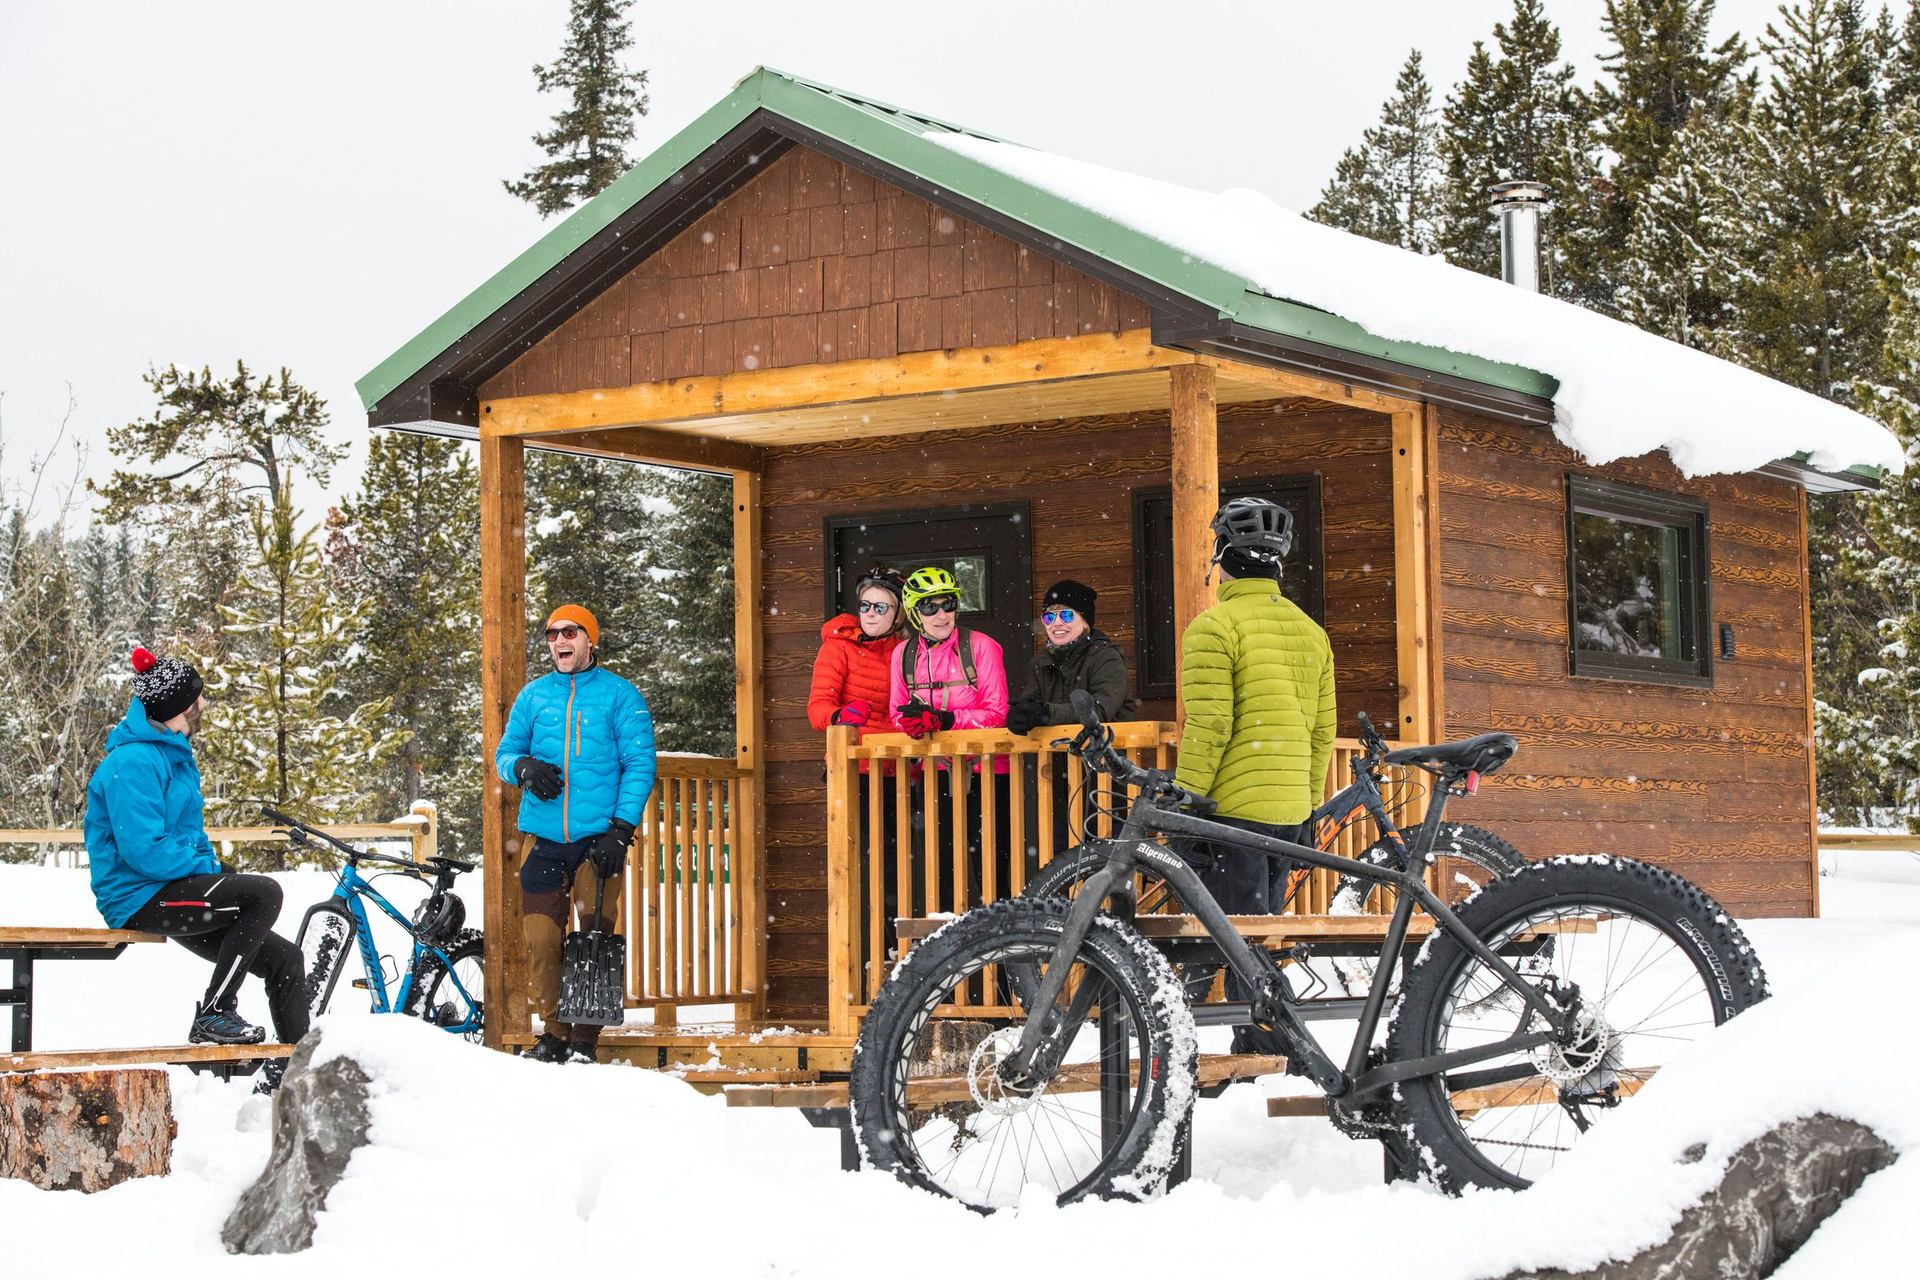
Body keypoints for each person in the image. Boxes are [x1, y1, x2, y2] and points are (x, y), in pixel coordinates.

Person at [84, 646, 308, 1063]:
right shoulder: (131, 763)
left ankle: (299, 1074)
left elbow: (190, 835)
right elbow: (142, 850)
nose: (199, 710)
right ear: (172, 709)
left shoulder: (173, 756)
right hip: (139, 895)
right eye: (193, 705)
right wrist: (209, 868)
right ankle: (215, 1011)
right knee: (264, 893)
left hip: (173, 886)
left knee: (285, 959)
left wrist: (213, 867)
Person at [1173, 497, 1336, 1051]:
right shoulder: (1312, 633)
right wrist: (1309, 804)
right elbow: (1321, 733)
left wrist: (1186, 795)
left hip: (1232, 814)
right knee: (1258, 934)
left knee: (1220, 938)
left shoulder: (1213, 628)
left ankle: (1253, 1046)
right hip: (1289, 812)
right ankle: (1256, 1040)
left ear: (1222, 558)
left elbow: (1212, 724)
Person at [495, 604, 657, 1064]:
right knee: (542, 940)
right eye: (552, 635)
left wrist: (621, 830)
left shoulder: (620, 696)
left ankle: (585, 1038)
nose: (560, 641)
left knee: (594, 937)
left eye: (570, 632)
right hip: (542, 840)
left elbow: (640, 764)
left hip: (598, 841)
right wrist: (522, 767)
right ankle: (553, 1032)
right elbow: (504, 754)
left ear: (591, 640)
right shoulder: (533, 697)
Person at [889, 566, 1009, 911]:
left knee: (992, 871)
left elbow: (997, 714)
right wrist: (913, 725)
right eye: (930, 607)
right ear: (915, 612)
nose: (942, 614)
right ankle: (949, 958)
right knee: (941, 871)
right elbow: (897, 713)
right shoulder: (904, 655)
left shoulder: (981, 647)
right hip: (935, 775)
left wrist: (947, 720)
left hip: (988, 775)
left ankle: (1002, 960)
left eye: (949, 604)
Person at [809, 567, 907, 960]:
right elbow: (817, 708)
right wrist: (840, 716)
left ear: (898, 613)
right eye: (865, 603)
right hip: (855, 774)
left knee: (902, 869)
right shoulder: (839, 646)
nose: (869, 612)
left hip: (900, 773)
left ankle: (900, 953)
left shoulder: (907, 650)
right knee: (863, 870)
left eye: (880, 606)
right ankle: (868, 956)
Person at [1006, 579, 1137, 854]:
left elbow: (1100, 710)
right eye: (1049, 616)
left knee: (1107, 857)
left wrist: (1045, 713)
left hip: (1107, 775)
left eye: (1066, 614)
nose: (1056, 623)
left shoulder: (1106, 657)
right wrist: (1021, 713)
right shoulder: (1041, 662)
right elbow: (1031, 701)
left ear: (1085, 621)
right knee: (1062, 858)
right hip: (1062, 778)